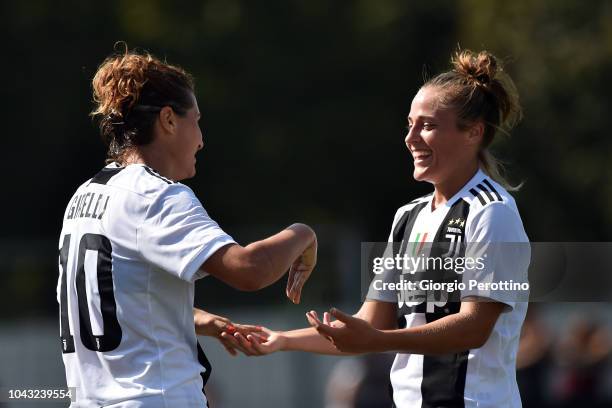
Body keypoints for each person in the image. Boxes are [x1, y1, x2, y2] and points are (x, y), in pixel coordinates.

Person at [227, 49, 531, 408]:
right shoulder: (409, 217)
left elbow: (474, 328)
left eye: (428, 125)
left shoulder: (493, 213)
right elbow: (368, 325)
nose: (410, 137)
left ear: (473, 133)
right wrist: (282, 340)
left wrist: (378, 340)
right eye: (409, 124)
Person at [57, 45, 317, 408]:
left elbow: (112, 300)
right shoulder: (157, 194)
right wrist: (303, 233)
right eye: (196, 120)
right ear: (168, 120)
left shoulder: (83, 197)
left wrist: (196, 319)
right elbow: (249, 271)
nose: (201, 139)